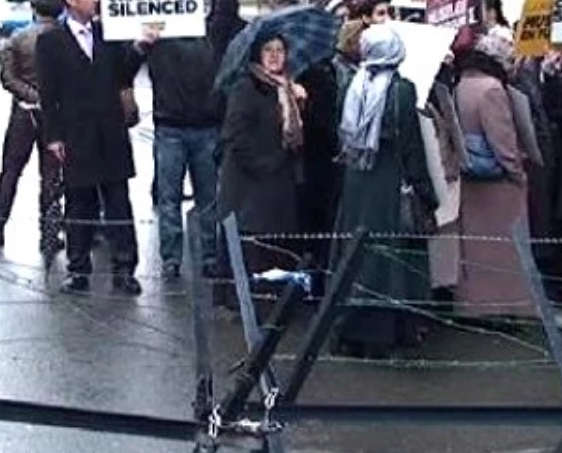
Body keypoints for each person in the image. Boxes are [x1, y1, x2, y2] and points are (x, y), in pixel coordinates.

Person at [133, 0, 242, 278]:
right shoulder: (156, 36)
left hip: (204, 128)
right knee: (170, 198)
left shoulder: (213, 34)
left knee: (207, 197)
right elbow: (126, 49)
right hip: (170, 129)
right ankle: (171, 258)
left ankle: (207, 255)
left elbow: (227, 9)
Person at [332, 24, 437, 359]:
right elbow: (411, 147)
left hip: (356, 180)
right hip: (388, 181)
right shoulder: (402, 91)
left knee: (355, 253)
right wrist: (425, 191)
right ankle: (388, 334)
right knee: (388, 257)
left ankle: (349, 329)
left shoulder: (352, 84)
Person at [36, 0, 142, 295]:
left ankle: (124, 269)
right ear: (70, 0)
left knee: (118, 202)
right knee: (80, 203)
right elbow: (48, 93)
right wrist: (53, 136)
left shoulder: (108, 34)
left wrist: (140, 47)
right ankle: (78, 269)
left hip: (110, 131)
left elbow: (124, 73)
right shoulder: (51, 41)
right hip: (76, 134)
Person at [0, 0, 66, 260]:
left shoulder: (18, 38)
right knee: (51, 174)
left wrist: (32, 96)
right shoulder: (66, 39)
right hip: (57, 115)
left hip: (23, 113)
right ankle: (49, 233)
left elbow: (7, 78)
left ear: (34, 9)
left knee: (11, 170)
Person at [452, 33, 534, 322]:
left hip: (469, 175)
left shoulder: (463, 83)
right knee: (500, 248)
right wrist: (518, 173)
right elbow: (503, 141)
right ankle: (500, 307)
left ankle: (471, 303)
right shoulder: (492, 89)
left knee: (473, 247)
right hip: (495, 184)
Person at [218, 34, 306, 277]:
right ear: (258, 54)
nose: (275, 55)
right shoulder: (246, 86)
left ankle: (272, 301)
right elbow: (235, 135)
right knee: (251, 249)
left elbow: (294, 138)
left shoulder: (286, 87)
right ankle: (241, 304)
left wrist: (299, 106)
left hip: (278, 183)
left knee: (274, 250)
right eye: (268, 50)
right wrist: (264, 165)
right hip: (250, 183)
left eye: (280, 50)